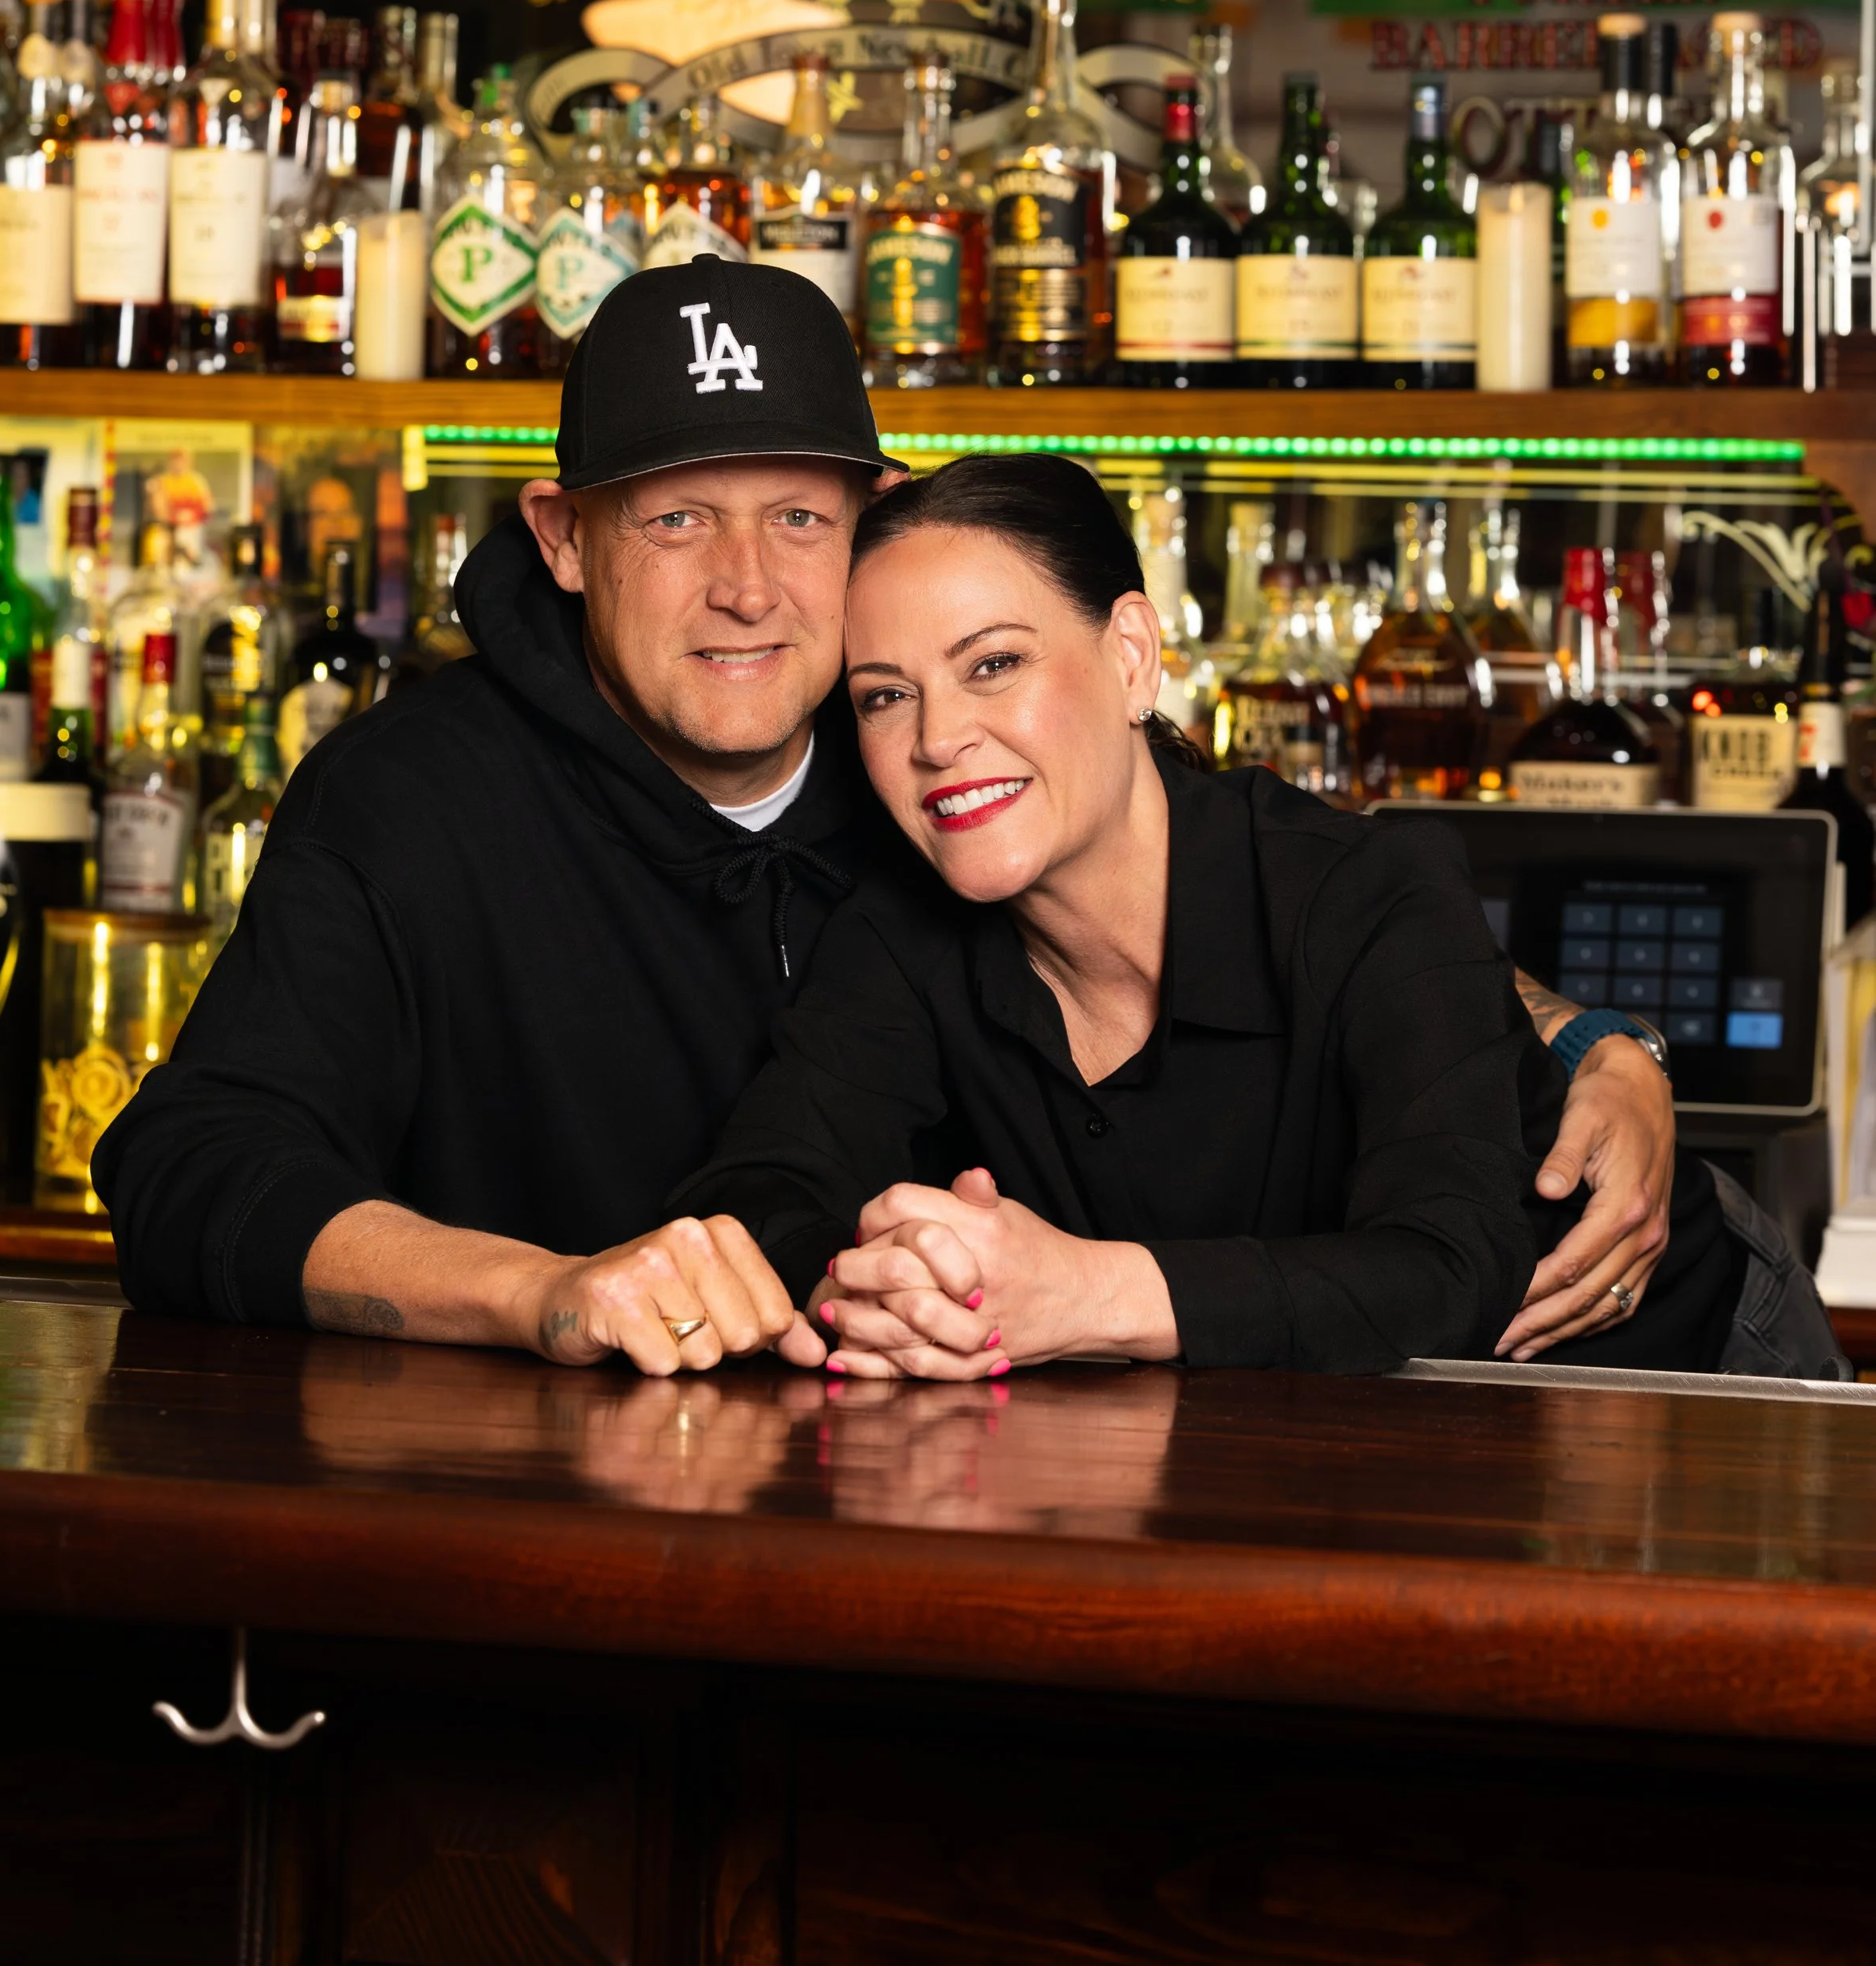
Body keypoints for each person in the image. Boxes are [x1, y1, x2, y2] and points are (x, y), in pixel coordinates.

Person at [95, 258, 1676, 1371]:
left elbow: (1295, 889)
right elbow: (192, 1172)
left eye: (797, 516)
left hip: (1531, 1399)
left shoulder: (951, 777)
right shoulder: (415, 797)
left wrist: (1588, 1046)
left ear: (871, 531)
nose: (743, 584)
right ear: (563, 540)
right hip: (583, 1507)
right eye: (673, 520)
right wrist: (555, 1295)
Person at [680, 455, 1845, 1381]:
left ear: (1131, 657)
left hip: (1673, 1359)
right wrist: (877, 1290)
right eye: (887, 694)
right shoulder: (903, 933)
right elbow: (755, 1197)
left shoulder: (1369, 887)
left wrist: (1077, 1293)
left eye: (993, 664)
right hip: (1333, 1418)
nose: (937, 737)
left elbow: (1444, 1268)